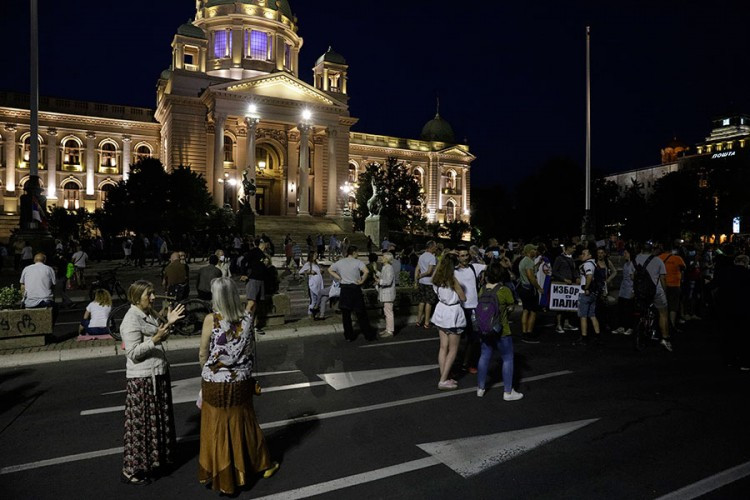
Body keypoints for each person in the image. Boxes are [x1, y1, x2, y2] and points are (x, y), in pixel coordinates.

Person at [198, 277, 279, 494]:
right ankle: (259, 463)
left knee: (216, 426)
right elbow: (249, 349)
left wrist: (206, 371)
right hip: (241, 381)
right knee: (245, 423)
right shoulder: (247, 318)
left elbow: (203, 353)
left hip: (215, 383)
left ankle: (223, 476)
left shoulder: (211, 320)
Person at [120, 280, 185, 485]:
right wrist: (154, 341)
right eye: (149, 294)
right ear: (136, 297)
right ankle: (133, 469)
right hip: (143, 378)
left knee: (157, 422)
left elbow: (160, 335)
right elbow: (132, 353)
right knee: (141, 426)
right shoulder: (131, 319)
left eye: (153, 293)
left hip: (157, 373)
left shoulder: (149, 314)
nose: (153, 298)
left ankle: (156, 461)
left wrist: (169, 323)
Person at [475, 263, 523, 400]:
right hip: (501, 329)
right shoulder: (504, 290)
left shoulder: (482, 289)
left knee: (484, 356)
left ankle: (480, 388)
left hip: (484, 329)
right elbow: (511, 306)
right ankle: (508, 392)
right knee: (507, 358)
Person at [431, 253, 467, 390]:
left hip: (441, 311)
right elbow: (463, 297)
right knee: (453, 349)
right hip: (453, 313)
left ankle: (444, 376)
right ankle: (443, 380)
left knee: (443, 347)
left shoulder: (437, 278)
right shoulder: (452, 279)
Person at [328, 245, 375, 341]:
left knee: (346, 315)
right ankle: (368, 335)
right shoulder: (358, 262)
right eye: (357, 252)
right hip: (355, 288)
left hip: (345, 289)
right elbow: (366, 271)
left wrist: (338, 277)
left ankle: (348, 336)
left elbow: (330, 269)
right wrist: (362, 281)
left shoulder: (340, 262)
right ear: (354, 253)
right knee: (361, 313)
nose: (358, 254)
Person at [635, 242, 672, 351]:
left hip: (640, 291)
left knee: (642, 308)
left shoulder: (636, 259)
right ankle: (665, 338)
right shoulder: (658, 261)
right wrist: (665, 292)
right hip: (655, 290)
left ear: (641, 250)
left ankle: (642, 324)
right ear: (652, 250)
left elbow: (633, 275)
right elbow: (662, 279)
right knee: (663, 313)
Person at [454, 245, 486, 373]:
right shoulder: (453, 271)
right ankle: (454, 364)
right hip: (459, 308)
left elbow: (487, 267)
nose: (465, 258)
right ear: (457, 257)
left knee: (473, 338)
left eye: (466, 255)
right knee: (456, 339)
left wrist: (479, 256)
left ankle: (468, 364)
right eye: (462, 256)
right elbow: (439, 273)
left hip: (474, 308)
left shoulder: (474, 267)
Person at [518, 244, 544, 343]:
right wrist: (539, 288)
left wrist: (537, 265)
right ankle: (529, 333)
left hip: (523, 288)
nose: (536, 251)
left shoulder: (524, 261)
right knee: (533, 311)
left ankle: (524, 332)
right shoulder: (528, 261)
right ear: (529, 251)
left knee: (525, 310)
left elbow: (529, 270)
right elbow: (531, 276)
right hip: (530, 290)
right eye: (534, 249)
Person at [19, 253, 57, 321]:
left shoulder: (26, 269)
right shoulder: (49, 269)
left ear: (34, 260)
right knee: (55, 310)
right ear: (45, 260)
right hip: (45, 300)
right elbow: (53, 285)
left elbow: (22, 285)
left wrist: (23, 298)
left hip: (30, 301)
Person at [551, 242, 579, 333]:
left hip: (570, 285)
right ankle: (558, 325)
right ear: (568, 248)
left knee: (568, 305)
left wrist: (577, 277)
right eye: (573, 248)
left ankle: (566, 324)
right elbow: (554, 271)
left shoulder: (572, 259)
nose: (575, 250)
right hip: (561, 285)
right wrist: (564, 279)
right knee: (560, 306)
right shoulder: (559, 258)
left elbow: (574, 270)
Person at [660, 241, 686, 333]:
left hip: (662, 285)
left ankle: (663, 325)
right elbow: (684, 267)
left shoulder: (659, 258)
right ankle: (672, 325)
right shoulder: (677, 258)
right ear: (672, 249)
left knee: (663, 306)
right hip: (675, 284)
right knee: (673, 306)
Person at [613, 246, 636, 335]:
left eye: (626, 253)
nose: (624, 254)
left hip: (629, 289)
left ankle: (629, 327)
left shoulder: (632, 264)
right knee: (622, 309)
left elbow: (633, 278)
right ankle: (622, 327)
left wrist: (633, 291)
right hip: (623, 289)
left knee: (628, 310)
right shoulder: (626, 264)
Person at [415, 241, 438, 329]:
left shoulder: (421, 256)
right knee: (429, 303)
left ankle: (418, 320)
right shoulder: (432, 257)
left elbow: (418, 268)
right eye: (435, 247)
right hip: (429, 282)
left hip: (421, 282)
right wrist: (422, 275)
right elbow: (429, 271)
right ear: (431, 247)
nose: (436, 248)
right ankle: (426, 322)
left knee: (421, 302)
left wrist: (417, 278)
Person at [377, 252, 397, 337]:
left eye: (383, 257)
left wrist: (379, 281)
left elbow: (388, 281)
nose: (381, 258)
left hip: (388, 293)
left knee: (388, 312)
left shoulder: (389, 268)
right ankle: (388, 329)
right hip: (386, 293)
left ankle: (390, 331)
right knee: (387, 312)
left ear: (387, 259)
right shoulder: (385, 267)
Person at [300, 252, 324, 319]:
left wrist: (321, 271)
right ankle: (310, 313)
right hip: (313, 284)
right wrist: (309, 272)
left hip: (319, 284)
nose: (316, 256)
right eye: (315, 255)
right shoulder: (308, 264)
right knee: (313, 300)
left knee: (318, 300)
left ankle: (315, 313)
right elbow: (301, 272)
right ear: (311, 255)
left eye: (316, 255)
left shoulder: (316, 264)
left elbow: (319, 272)